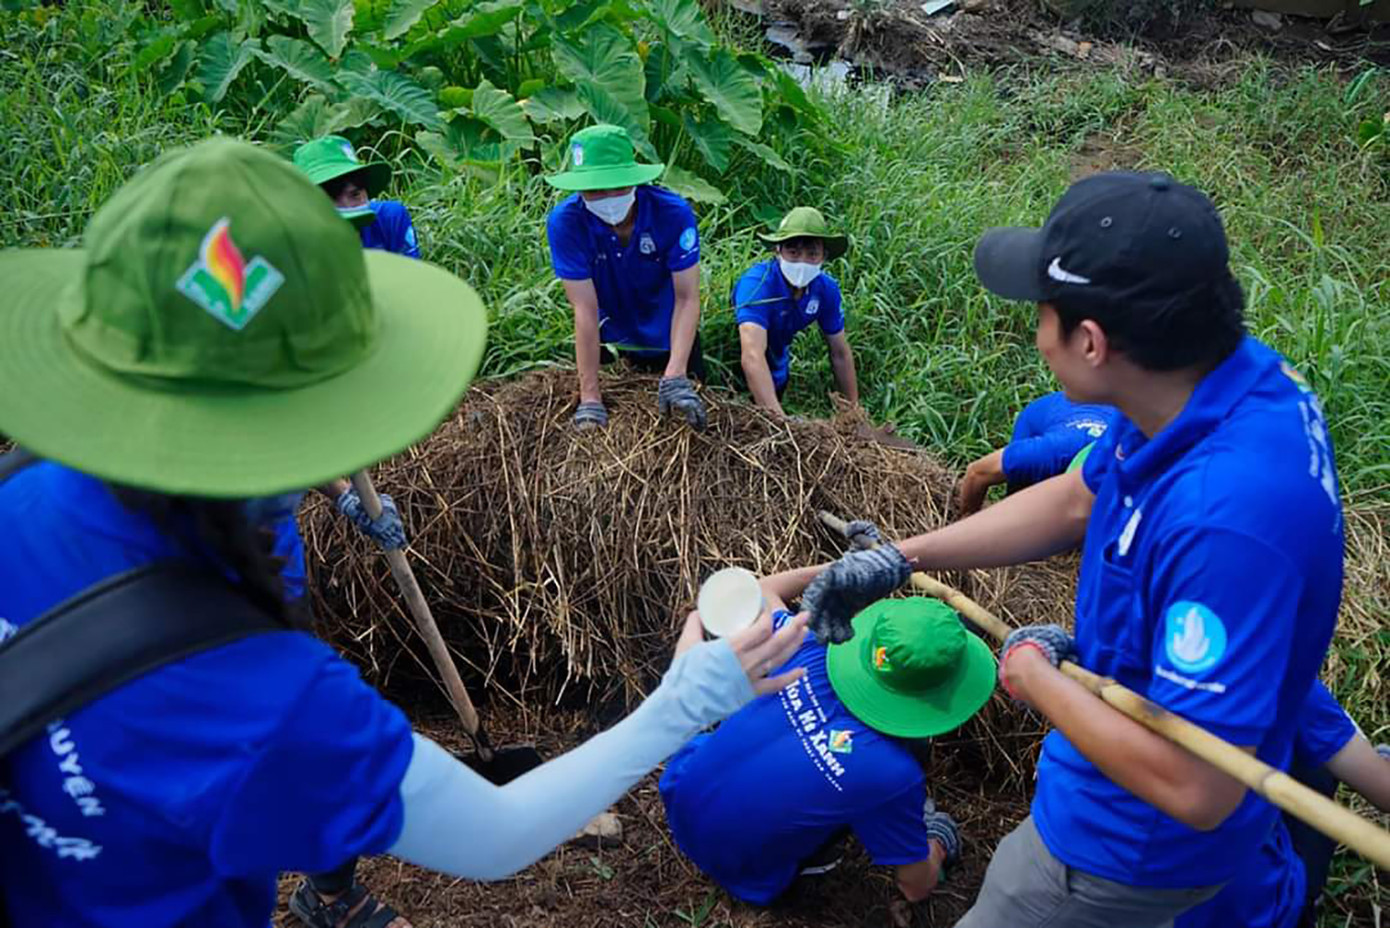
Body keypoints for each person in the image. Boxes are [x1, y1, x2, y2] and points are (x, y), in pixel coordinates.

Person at [0, 137, 809, 928]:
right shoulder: (271, 699)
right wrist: (688, 700)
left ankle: (330, 886)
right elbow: (495, 836)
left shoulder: (25, 489)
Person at [767, 171, 1345, 927]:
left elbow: (1198, 787)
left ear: (1092, 341)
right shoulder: (1212, 387)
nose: (1036, 332)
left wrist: (1039, 677)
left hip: (1121, 846)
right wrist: (900, 558)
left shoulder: (1223, 521)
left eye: (1041, 311)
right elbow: (1077, 499)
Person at [660, 570, 993, 907]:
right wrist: (937, 841)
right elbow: (916, 887)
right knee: (870, 787)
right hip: (744, 872)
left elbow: (761, 590)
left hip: (680, 794)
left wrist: (845, 568)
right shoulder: (893, 774)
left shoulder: (808, 647)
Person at [1177, 680, 1390, 928]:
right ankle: (1305, 899)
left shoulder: (1134, 662)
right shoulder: (1281, 673)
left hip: (1142, 891)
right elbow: (1384, 792)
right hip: (1250, 907)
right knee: (1319, 754)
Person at [544, 124, 706, 431]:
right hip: (608, 340)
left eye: (615, 186)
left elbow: (687, 298)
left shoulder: (672, 214)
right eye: (594, 189)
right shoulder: (566, 223)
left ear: (633, 180)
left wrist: (675, 374)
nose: (606, 197)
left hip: (671, 335)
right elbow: (584, 310)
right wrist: (590, 397)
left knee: (688, 424)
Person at [733, 207, 858, 415]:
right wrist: (782, 425)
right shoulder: (757, 285)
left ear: (823, 257)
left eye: (812, 254)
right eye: (793, 252)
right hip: (733, 372)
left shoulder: (825, 290)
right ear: (777, 251)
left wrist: (853, 413)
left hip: (777, 370)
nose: (802, 262)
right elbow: (752, 355)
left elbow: (840, 353)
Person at [957, 391, 1115, 516]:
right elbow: (976, 473)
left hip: (1104, 410)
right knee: (1017, 511)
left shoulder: (1128, 458)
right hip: (1043, 414)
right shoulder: (1043, 454)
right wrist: (965, 520)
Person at [293, 135, 421, 258]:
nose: (348, 207)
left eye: (355, 195)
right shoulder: (295, 242)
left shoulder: (391, 219)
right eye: (331, 198)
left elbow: (412, 275)